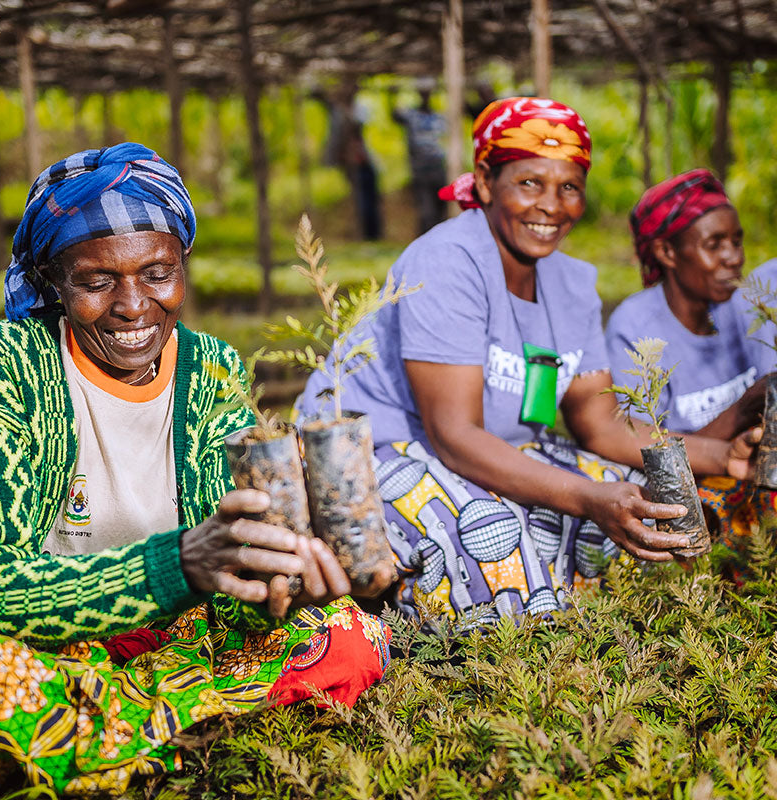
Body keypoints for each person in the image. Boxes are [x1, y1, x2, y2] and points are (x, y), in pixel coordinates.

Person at [0, 143, 392, 795]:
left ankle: (101, 737)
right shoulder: (3, 369)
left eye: (157, 273)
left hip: (174, 638)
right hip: (49, 642)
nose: (133, 304)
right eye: (96, 281)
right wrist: (174, 565)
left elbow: (230, 580)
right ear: (55, 282)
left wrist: (278, 591)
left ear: (182, 267)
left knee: (347, 636)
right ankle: (173, 727)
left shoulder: (211, 369)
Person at [295, 98, 759, 624]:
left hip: (486, 446)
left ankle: (578, 632)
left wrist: (724, 457)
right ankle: (462, 657)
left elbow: (601, 423)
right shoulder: (447, 261)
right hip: (369, 448)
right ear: (487, 182)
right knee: (494, 530)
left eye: (569, 187)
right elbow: (453, 435)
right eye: (530, 183)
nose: (551, 206)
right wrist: (588, 498)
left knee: (629, 496)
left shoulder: (573, 284)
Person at [606, 169, 767, 440]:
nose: (734, 257)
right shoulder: (634, 330)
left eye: (737, 242)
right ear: (666, 252)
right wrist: (743, 410)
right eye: (714, 245)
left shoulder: (747, 304)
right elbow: (650, 453)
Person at [315, 82, 383, 240]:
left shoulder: (357, 110)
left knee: (371, 198)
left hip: (364, 161)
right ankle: (366, 234)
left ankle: (373, 234)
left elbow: (358, 123)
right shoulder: (338, 112)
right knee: (362, 200)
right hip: (352, 163)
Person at [389, 81, 448, 234]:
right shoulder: (411, 116)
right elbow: (394, 115)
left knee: (441, 206)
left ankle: (438, 237)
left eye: (428, 92)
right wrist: (392, 95)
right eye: (423, 92)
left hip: (438, 167)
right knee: (426, 210)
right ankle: (426, 238)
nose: (425, 95)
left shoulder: (440, 117)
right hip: (420, 168)